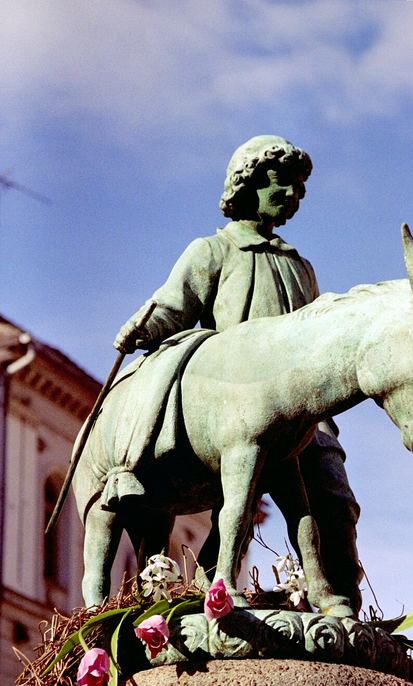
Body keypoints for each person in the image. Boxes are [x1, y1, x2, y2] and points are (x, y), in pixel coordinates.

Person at [115, 135, 363, 611]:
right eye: (283, 183)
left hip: (303, 410)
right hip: (232, 401)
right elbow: (175, 307)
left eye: (300, 189)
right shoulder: (213, 251)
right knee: (237, 502)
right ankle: (213, 583)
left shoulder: (299, 266)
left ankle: (341, 608)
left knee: (335, 500)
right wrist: (143, 327)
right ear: (248, 182)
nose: (294, 195)